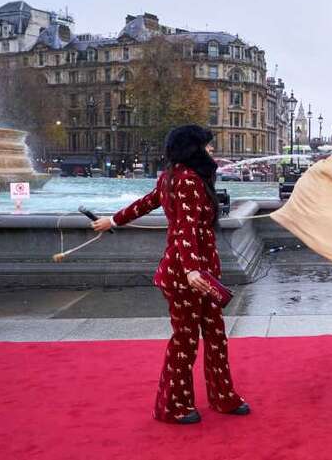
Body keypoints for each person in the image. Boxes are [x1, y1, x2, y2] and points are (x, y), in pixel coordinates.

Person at [92, 125, 249, 424]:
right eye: (207, 145)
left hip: (199, 273)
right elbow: (187, 228)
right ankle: (173, 406)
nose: (211, 150)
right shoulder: (188, 180)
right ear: (193, 149)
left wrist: (112, 219)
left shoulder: (172, 177)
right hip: (187, 275)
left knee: (215, 336)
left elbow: (145, 203)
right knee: (185, 341)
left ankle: (223, 397)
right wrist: (191, 269)